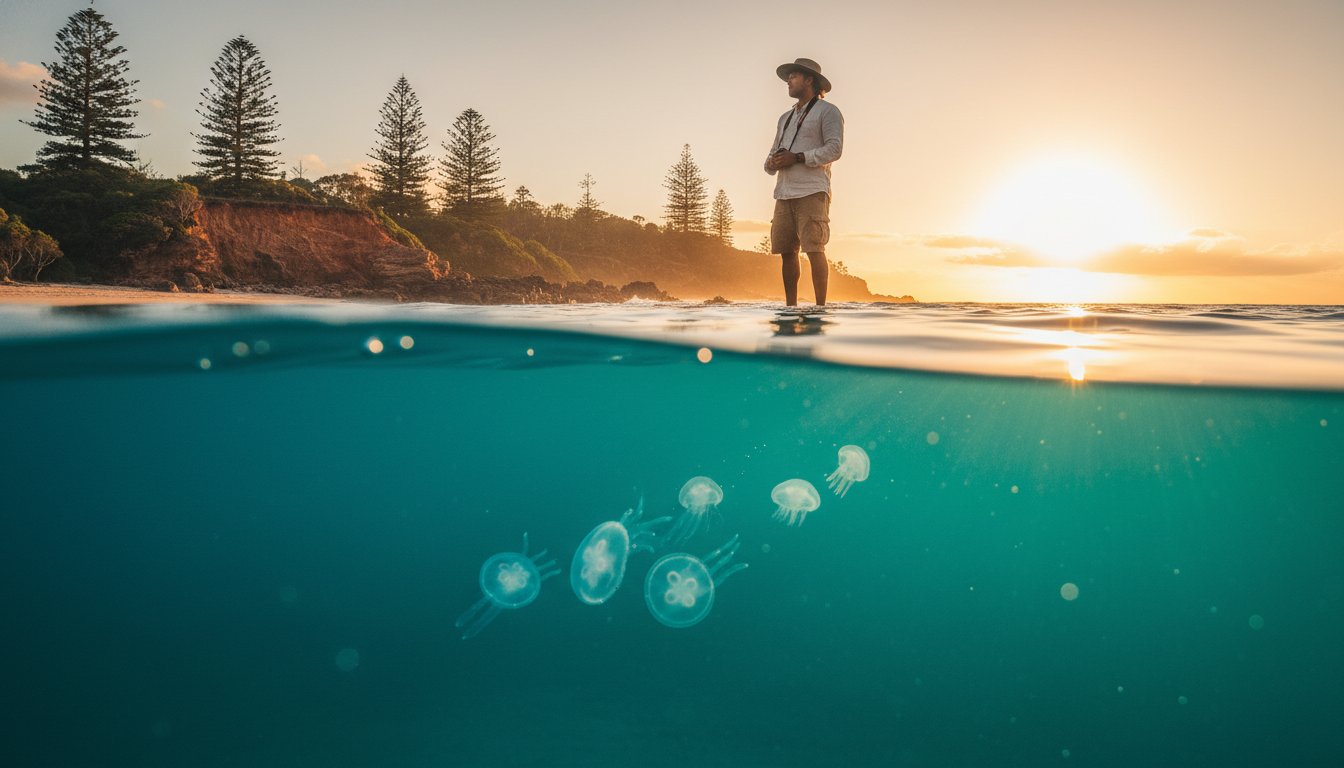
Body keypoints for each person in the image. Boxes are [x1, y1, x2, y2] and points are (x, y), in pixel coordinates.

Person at [764, 57, 844, 307]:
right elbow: (773, 152)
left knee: (814, 248)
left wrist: (798, 157)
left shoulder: (828, 111)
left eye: (794, 76)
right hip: (784, 192)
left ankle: (821, 308)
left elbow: (835, 149)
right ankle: (790, 308)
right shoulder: (784, 118)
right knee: (787, 253)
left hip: (812, 190)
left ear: (809, 80)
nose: (788, 80)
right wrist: (772, 162)